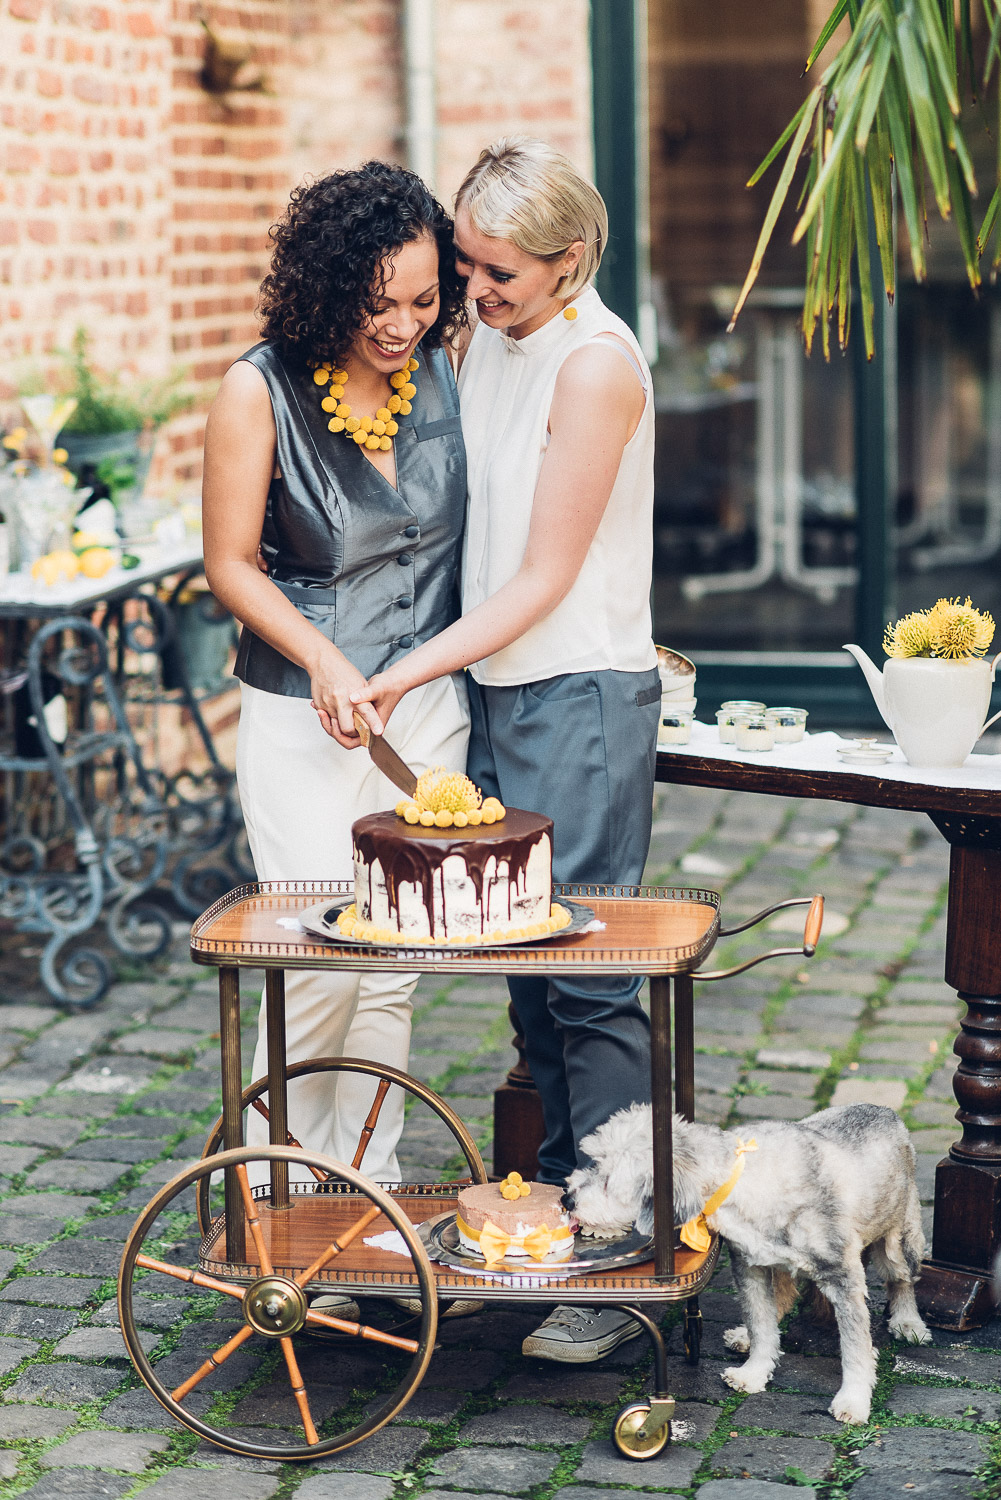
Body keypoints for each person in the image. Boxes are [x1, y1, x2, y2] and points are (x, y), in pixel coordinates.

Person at [352, 137, 661, 1363]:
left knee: (589, 979)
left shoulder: (594, 366)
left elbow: (540, 578)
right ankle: (553, 1231)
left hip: (575, 693)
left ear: (569, 260)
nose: (468, 297)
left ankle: (618, 1256)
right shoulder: (495, 337)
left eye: (494, 274)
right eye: (463, 267)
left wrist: (400, 672)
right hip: (494, 690)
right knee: (527, 977)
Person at [202, 163, 471, 1238]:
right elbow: (230, 563)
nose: (402, 325)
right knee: (316, 954)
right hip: (301, 714)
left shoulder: (451, 370)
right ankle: (273, 1188)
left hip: (427, 709)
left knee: (398, 964)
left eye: (420, 300)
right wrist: (321, 657)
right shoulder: (255, 389)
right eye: (375, 303)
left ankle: (364, 1195)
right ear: (324, 288)